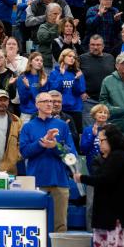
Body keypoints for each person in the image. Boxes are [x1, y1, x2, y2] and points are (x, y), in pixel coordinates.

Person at [20, 92, 75, 233]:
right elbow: (24, 152)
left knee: (60, 226)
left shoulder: (62, 126)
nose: (50, 103)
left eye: (51, 101)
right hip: (37, 183)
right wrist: (41, 144)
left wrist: (55, 146)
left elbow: (71, 155)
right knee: (35, 226)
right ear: (37, 105)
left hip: (60, 182)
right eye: (45, 101)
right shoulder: (28, 127)